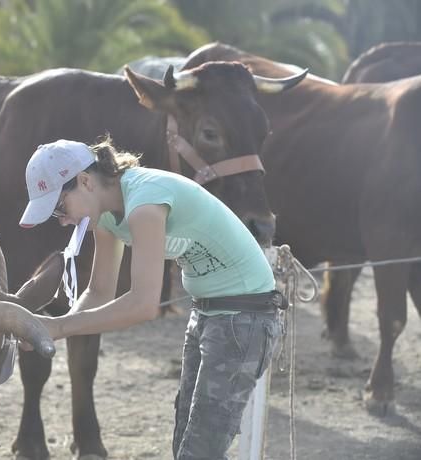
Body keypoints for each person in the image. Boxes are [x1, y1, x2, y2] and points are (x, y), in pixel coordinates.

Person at [19, 137, 282, 460]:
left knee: (200, 450)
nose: (62, 220)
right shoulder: (106, 216)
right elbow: (100, 290)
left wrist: (58, 327)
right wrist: (54, 328)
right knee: (187, 440)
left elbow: (143, 304)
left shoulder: (144, 203)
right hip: (208, 312)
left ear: (85, 182)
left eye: (59, 207)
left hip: (245, 318)